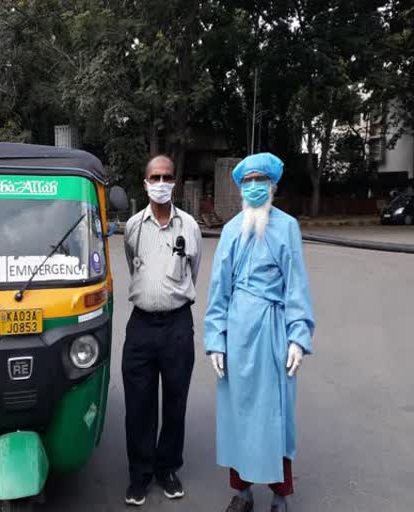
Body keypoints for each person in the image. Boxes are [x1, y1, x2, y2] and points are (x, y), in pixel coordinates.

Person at [204, 153, 315, 512]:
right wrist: (214, 340)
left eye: (260, 181)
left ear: (273, 186)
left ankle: (281, 493)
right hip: (236, 334)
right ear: (240, 187)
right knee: (238, 414)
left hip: (272, 333)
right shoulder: (232, 229)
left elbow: (296, 285)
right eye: (247, 181)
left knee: (275, 415)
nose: (253, 187)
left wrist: (298, 336)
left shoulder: (287, 227)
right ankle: (242, 492)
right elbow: (218, 288)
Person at [122, 155, 202, 506]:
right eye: (154, 176)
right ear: (145, 182)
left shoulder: (190, 227)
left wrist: (172, 299)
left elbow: (193, 271)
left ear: (175, 182)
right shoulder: (133, 227)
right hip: (140, 325)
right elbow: (132, 265)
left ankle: (167, 468)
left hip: (177, 326)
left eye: (167, 176)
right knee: (138, 405)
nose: (161, 182)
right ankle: (139, 474)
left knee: (175, 401)